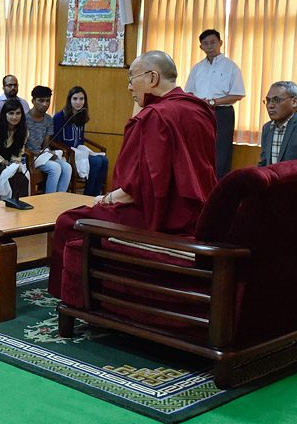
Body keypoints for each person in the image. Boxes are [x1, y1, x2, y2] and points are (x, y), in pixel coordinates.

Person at [48, 51, 218, 300]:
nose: (129, 86)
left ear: (153, 78)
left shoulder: (155, 117)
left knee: (68, 221)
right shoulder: (199, 109)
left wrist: (104, 199)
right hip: (199, 212)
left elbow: (136, 190)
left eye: (131, 78)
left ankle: (74, 299)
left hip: (161, 216)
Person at [185, 29, 244, 178]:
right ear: (201, 47)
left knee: (221, 153)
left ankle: (219, 189)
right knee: (199, 150)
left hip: (222, 114)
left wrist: (213, 102)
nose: (210, 46)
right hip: (199, 113)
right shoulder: (197, 68)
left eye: (213, 42)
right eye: (205, 43)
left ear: (220, 43)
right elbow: (189, 92)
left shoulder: (231, 66)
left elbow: (237, 94)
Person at [53, 86, 108, 196]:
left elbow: (80, 139)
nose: (78, 102)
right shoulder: (60, 117)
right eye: (75, 98)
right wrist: (70, 152)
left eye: (81, 99)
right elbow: (54, 141)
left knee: (104, 160)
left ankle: (97, 195)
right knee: (96, 162)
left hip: (79, 152)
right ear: (69, 100)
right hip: (66, 154)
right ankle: (88, 196)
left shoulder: (81, 115)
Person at [25, 86, 72, 194]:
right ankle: (49, 200)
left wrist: (49, 153)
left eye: (47, 101)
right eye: (41, 100)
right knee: (55, 168)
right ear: (33, 101)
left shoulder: (48, 119)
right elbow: (22, 146)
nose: (45, 104)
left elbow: (46, 144)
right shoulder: (25, 119)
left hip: (42, 155)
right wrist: (40, 153)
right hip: (28, 156)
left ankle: (59, 199)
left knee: (67, 167)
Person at [0, 98, 30, 199]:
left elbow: (19, 150)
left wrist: (15, 161)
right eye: (11, 113)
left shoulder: (23, 130)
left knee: (23, 178)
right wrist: (3, 162)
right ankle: (7, 205)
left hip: (11, 161)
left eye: (18, 113)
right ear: (4, 114)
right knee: (11, 177)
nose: (14, 117)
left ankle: (21, 206)